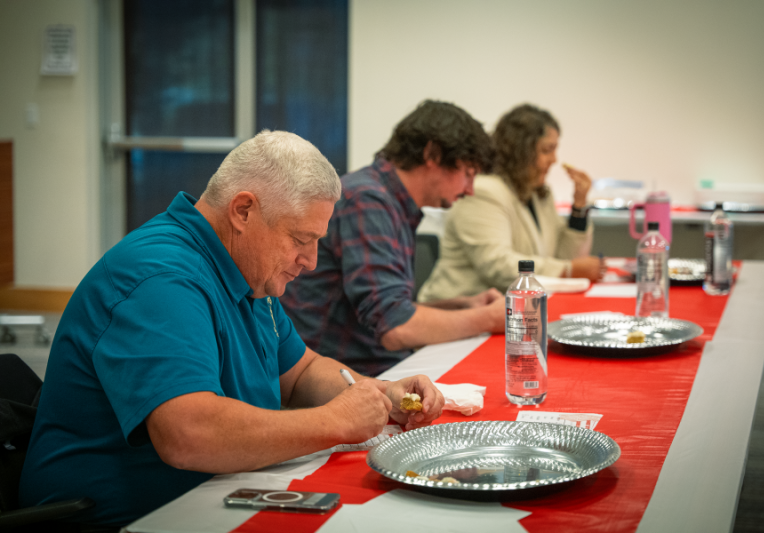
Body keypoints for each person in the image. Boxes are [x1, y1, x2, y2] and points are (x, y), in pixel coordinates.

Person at [19, 131, 445, 527]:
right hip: (121, 518)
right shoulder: (159, 279)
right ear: (243, 211)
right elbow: (190, 435)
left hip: (205, 497)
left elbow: (297, 373)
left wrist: (378, 394)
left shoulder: (246, 269)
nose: (311, 261)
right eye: (300, 239)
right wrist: (335, 421)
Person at [281, 100, 505, 377]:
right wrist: (490, 319)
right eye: (468, 174)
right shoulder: (367, 200)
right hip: (340, 379)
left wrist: (460, 305)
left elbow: (384, 310)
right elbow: (395, 327)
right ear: (432, 154)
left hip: (366, 369)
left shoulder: (388, 200)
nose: (470, 190)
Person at [417, 104, 605, 303]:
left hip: (506, 309)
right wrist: (566, 270)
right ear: (521, 151)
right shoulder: (483, 190)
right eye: (546, 150)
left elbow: (565, 258)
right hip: (455, 312)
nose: (554, 159)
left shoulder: (538, 194)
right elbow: (497, 265)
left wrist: (579, 206)